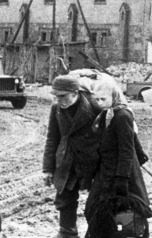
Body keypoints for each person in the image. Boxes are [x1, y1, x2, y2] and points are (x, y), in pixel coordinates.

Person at [84, 79, 152, 237]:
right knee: (93, 210)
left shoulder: (122, 116)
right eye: (97, 99)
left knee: (126, 216)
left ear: (113, 96)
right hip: (106, 172)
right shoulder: (105, 115)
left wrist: (121, 180)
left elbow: (127, 150)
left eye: (103, 99)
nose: (100, 103)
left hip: (122, 174)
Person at [43, 75, 103, 238]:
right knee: (65, 198)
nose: (59, 100)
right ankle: (67, 232)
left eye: (63, 96)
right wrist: (48, 168)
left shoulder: (94, 105)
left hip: (92, 159)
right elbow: (52, 138)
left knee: (98, 199)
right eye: (56, 96)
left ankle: (97, 232)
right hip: (67, 158)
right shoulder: (56, 108)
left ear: (76, 92)